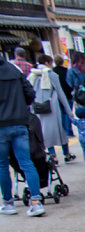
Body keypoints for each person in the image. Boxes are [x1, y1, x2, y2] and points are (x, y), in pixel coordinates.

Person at [1, 53, 45, 216]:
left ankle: (8, 203)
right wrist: (22, 106)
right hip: (20, 122)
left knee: (2, 164)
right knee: (26, 162)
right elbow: (30, 93)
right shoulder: (14, 70)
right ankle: (36, 202)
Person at [28, 55, 75, 163]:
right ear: (47, 62)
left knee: (45, 132)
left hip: (38, 108)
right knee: (60, 131)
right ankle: (66, 154)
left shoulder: (32, 75)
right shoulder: (51, 74)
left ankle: (52, 156)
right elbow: (60, 93)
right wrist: (68, 111)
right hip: (52, 107)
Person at [53, 55, 74, 138]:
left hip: (57, 97)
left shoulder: (53, 72)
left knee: (61, 113)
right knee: (68, 113)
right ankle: (69, 131)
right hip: (68, 95)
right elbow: (70, 84)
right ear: (62, 62)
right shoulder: (67, 71)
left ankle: (64, 131)